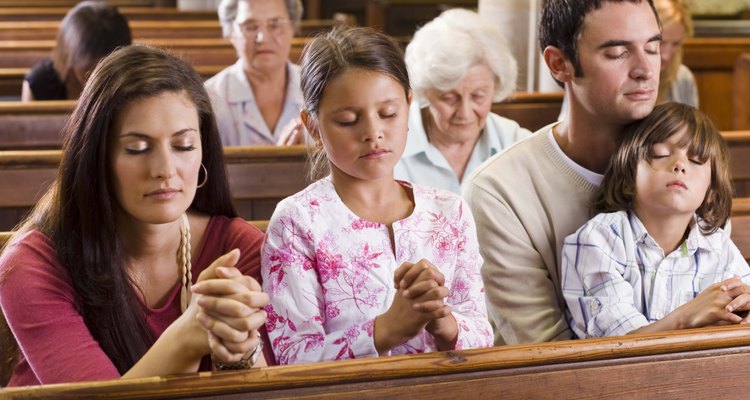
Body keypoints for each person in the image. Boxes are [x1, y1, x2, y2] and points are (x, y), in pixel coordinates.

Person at [0, 45, 268, 386]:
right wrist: (188, 336)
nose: (165, 170)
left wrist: (241, 352)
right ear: (97, 159)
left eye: (183, 146)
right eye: (137, 149)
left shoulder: (240, 249)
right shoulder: (30, 264)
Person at [261, 27, 493, 365]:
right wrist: (386, 329)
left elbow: (482, 333)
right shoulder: (297, 222)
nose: (373, 133)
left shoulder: (449, 211)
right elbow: (293, 356)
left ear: (409, 105)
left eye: (388, 114)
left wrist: (445, 324)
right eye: (347, 120)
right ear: (313, 126)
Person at [463, 0, 661, 345]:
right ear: (560, 64)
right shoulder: (498, 191)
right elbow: (550, 358)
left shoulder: (689, 164)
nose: (645, 69)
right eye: (617, 53)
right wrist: (682, 323)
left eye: (653, 48)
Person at [562, 102, 750, 338]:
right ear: (629, 171)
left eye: (697, 160)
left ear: (710, 190)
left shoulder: (719, 247)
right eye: (660, 153)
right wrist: (685, 317)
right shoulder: (598, 241)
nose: (680, 165)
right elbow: (612, 350)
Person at [394, 9, 531, 194]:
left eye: (478, 96)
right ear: (424, 90)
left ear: (496, 86)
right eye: (449, 98)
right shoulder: (390, 145)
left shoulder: (516, 143)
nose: (464, 113)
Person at [557, 0, 697, 120]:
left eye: (676, 44)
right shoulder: (586, 83)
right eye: (617, 53)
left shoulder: (683, 77)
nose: (666, 55)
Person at [206, 0, 306, 146]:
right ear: (231, 33)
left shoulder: (319, 88)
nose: (263, 38)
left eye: (275, 25)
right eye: (250, 27)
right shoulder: (209, 99)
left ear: (293, 28)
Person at [21, 1, 132, 101]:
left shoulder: (130, 81)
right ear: (69, 54)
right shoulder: (39, 83)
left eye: (107, 68)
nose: (97, 76)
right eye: (88, 68)